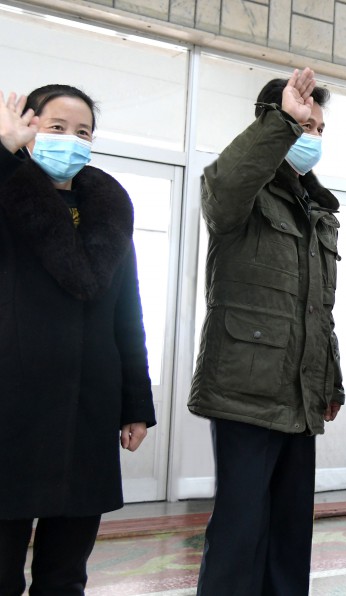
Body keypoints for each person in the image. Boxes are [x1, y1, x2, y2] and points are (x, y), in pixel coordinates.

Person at [188, 68, 344, 595]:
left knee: (290, 533)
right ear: (273, 122)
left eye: (319, 128)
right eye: (304, 124)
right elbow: (225, 184)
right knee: (240, 531)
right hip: (245, 391)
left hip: (301, 396)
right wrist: (281, 121)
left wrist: (332, 380)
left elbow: (318, 310)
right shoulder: (243, 197)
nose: (312, 136)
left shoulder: (320, 212)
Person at [0, 86, 155, 595]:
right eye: (57, 127)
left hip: (88, 407)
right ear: (27, 128)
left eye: (83, 131)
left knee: (66, 572)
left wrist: (136, 403)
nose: (71, 140)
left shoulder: (108, 209)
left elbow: (126, 314)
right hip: (13, 407)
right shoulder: (7, 190)